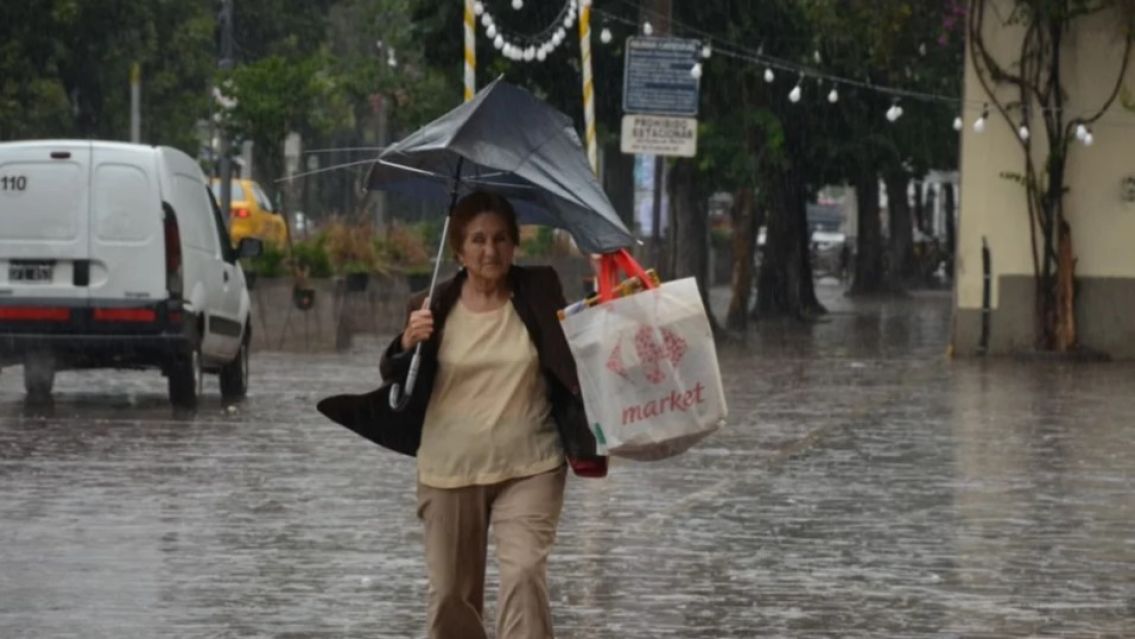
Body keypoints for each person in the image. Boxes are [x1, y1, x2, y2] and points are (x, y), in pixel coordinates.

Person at [379, 191, 606, 639]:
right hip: (449, 469)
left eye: (501, 239)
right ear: (459, 249)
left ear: (515, 244)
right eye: (478, 240)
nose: (490, 250)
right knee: (449, 597)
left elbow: (574, 350)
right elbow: (396, 380)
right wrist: (407, 343)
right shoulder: (431, 306)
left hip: (531, 464)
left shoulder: (540, 290)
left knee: (523, 575)